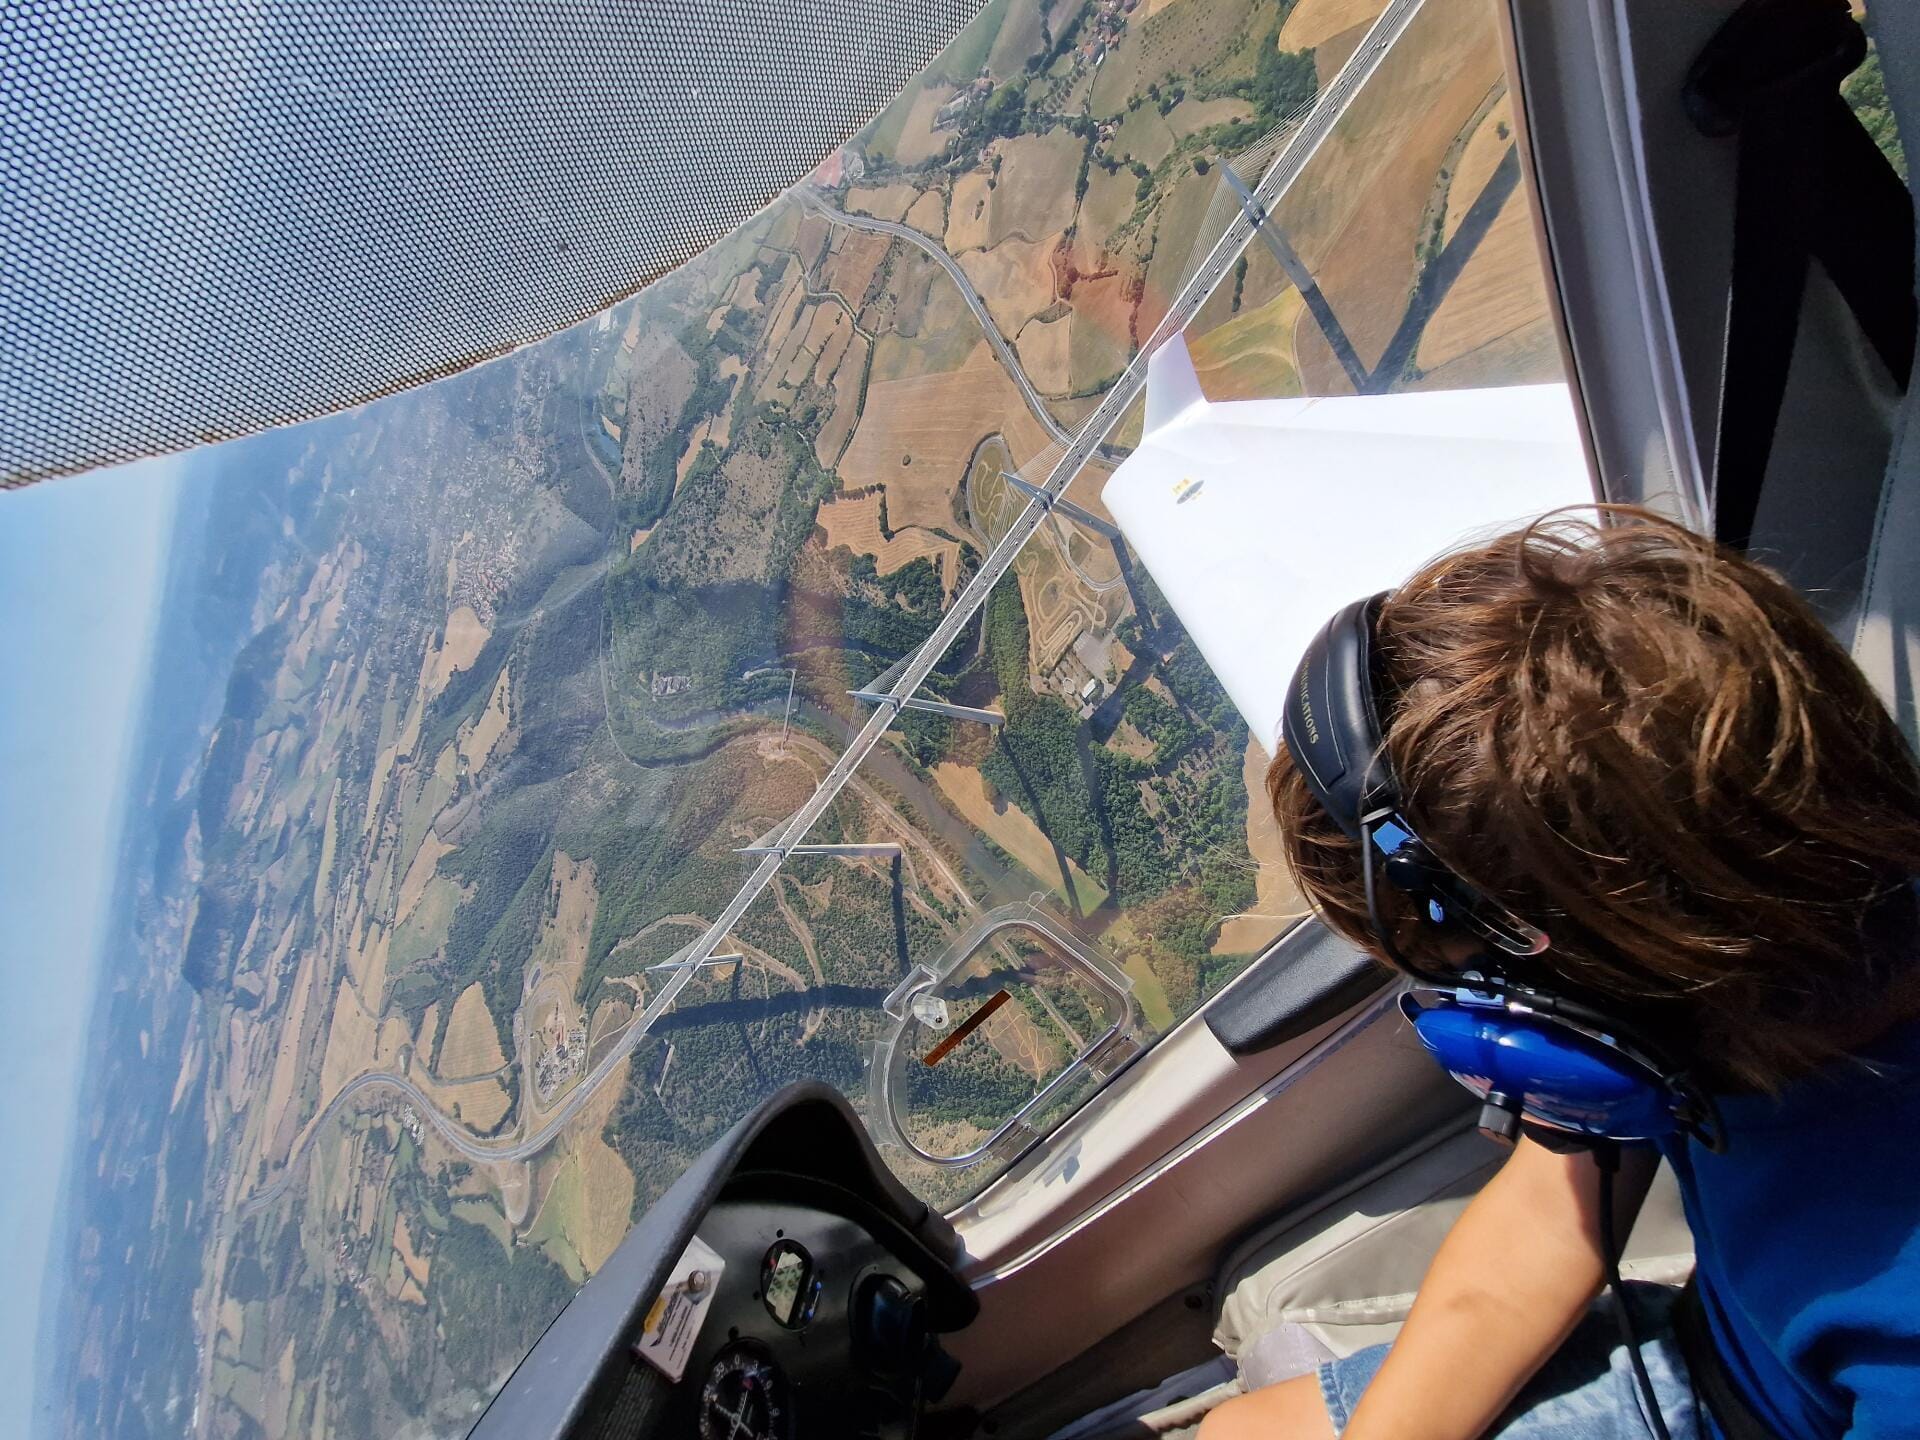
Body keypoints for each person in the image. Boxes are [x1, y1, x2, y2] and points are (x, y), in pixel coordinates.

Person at [1198, 508, 1920, 1440]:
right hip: (1713, 1355)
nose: (1504, 1029)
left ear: (1630, 965)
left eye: (1483, 985)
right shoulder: (1725, 993)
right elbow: (1549, 1215)